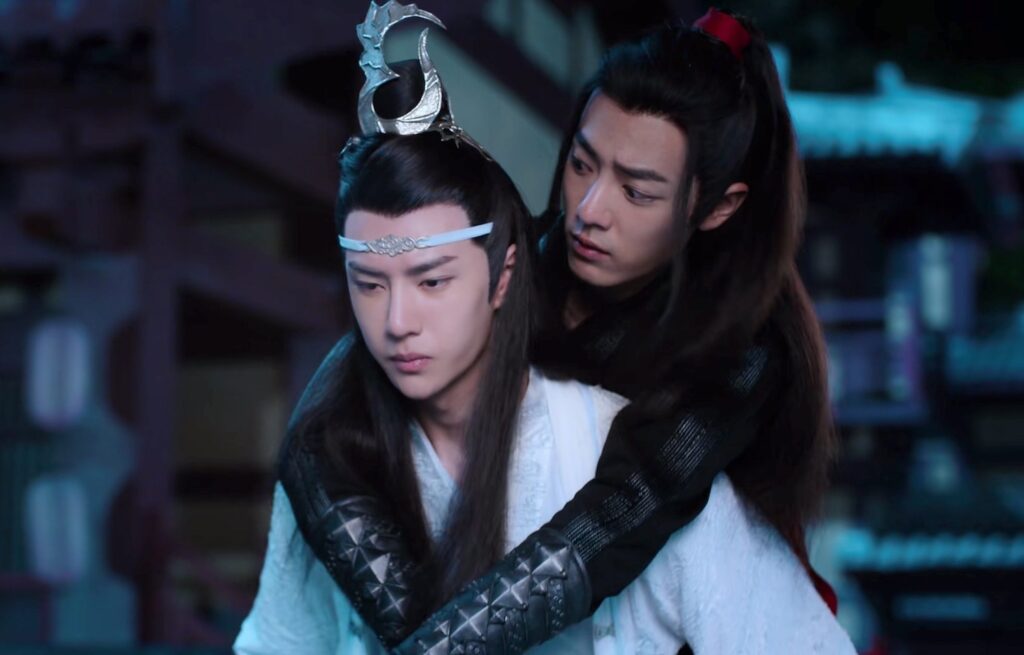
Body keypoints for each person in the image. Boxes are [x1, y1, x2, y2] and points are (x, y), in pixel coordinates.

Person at [278, 5, 841, 653]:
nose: (590, 210)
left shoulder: (747, 351)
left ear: (717, 207)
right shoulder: (515, 259)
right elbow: (317, 436)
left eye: (637, 192)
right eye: (582, 163)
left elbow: (612, 520)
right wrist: (424, 633)